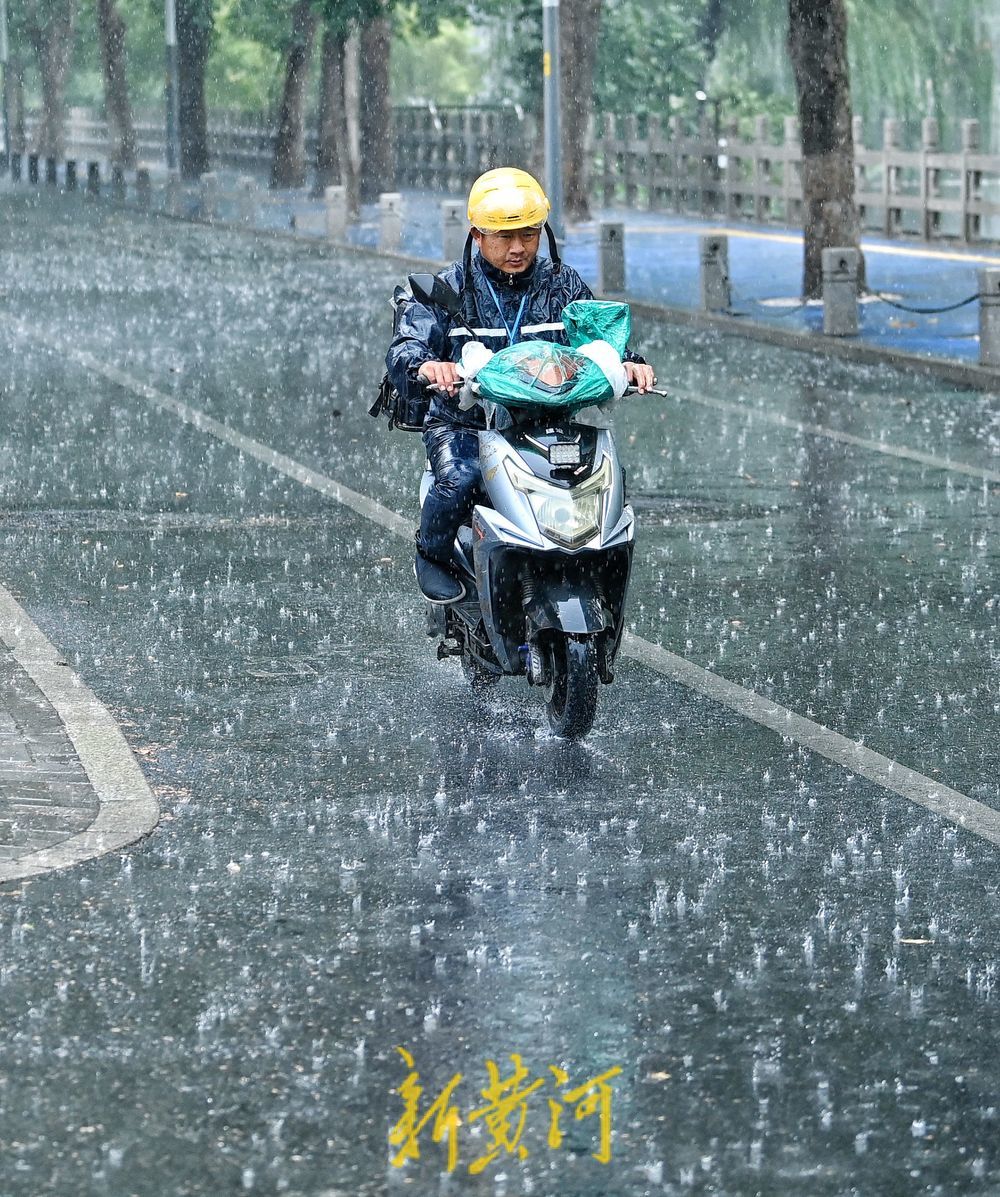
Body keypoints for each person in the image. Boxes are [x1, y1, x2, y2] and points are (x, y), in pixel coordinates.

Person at [386, 167, 655, 603]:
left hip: (548, 424)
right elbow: (406, 348)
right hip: (466, 425)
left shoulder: (561, 284)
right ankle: (432, 555)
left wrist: (630, 364)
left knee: (605, 481)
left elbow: (599, 341)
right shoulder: (448, 289)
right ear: (477, 236)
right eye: (503, 237)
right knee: (459, 477)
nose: (518, 248)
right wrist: (426, 366)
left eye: (528, 235)